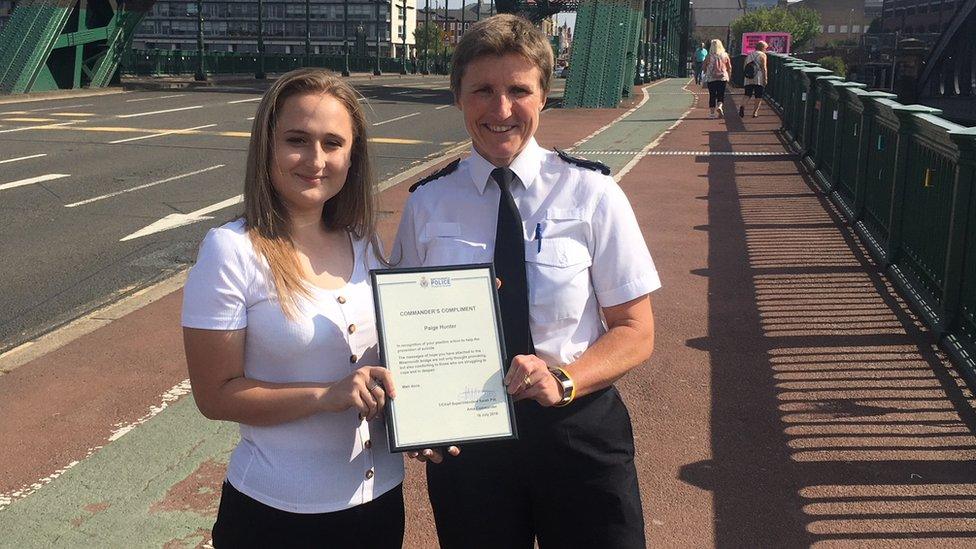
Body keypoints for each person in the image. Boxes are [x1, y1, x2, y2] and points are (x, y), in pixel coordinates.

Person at [394, 14, 660, 549]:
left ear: (544, 96)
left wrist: (565, 380)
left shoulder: (592, 194)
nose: (500, 110)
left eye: (519, 90)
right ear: (458, 98)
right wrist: (417, 418)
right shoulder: (426, 204)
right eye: (483, 91)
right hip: (468, 438)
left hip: (577, 426)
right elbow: (403, 332)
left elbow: (635, 329)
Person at [181, 68, 404, 548]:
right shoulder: (231, 250)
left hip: (380, 502)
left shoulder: (364, 243)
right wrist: (326, 395)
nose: (316, 159)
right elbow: (214, 394)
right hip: (277, 516)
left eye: (333, 143)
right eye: (297, 140)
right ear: (267, 147)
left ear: (353, 156)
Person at [702, 38, 732, 119]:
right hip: (722, 77)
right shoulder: (725, 55)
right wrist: (729, 76)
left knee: (712, 95)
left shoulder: (709, 56)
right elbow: (729, 67)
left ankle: (712, 114)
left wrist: (705, 71)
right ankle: (720, 106)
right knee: (720, 94)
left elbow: (704, 66)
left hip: (711, 77)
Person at [741, 40, 769, 118]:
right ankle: (755, 112)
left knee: (747, 94)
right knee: (758, 95)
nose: (766, 50)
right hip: (758, 77)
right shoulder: (762, 55)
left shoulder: (749, 55)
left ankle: (743, 105)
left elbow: (744, 66)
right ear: (762, 48)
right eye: (766, 48)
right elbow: (764, 68)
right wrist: (765, 78)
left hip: (749, 77)